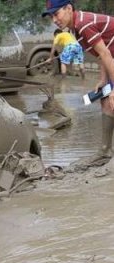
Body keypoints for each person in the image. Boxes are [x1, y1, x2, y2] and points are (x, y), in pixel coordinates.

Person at [42, 0, 114, 158]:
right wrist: (104, 80)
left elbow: (106, 54)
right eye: (51, 17)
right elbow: (105, 52)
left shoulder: (83, 24)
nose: (54, 20)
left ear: (68, 8)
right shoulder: (75, 29)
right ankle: (105, 150)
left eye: (56, 14)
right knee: (105, 98)